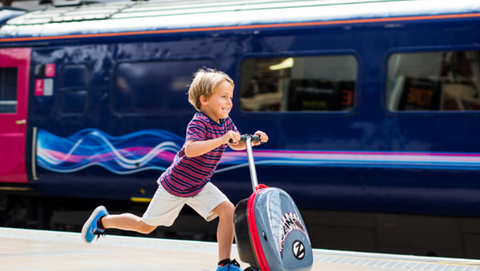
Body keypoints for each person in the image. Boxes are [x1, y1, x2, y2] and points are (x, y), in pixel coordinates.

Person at [81, 68, 268, 271]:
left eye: (230, 97)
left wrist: (251, 140)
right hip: (176, 185)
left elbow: (234, 143)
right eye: (223, 97)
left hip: (199, 184)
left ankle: (224, 264)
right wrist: (221, 139)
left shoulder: (226, 123)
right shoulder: (199, 122)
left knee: (228, 211)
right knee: (145, 226)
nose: (229, 102)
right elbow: (191, 149)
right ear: (204, 100)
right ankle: (103, 221)